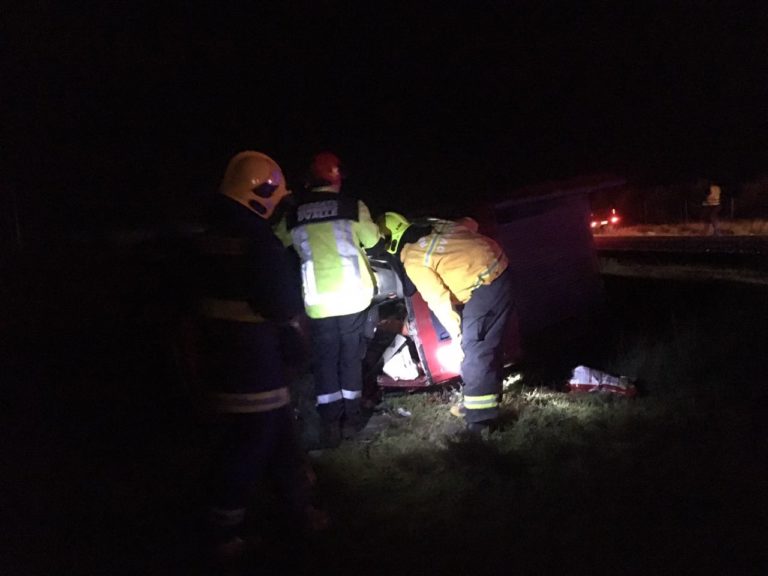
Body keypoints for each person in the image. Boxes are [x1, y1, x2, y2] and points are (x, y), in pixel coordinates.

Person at [192, 151, 324, 564]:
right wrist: (296, 339)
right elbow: (281, 304)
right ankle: (223, 531)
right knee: (250, 445)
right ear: (262, 193)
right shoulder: (258, 242)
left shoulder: (207, 235)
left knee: (278, 435)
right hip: (254, 361)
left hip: (219, 356)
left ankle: (297, 508)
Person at [274, 151, 382, 448]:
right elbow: (372, 240)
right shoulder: (351, 206)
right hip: (353, 295)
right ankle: (353, 418)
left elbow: (278, 241)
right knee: (349, 356)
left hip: (318, 300)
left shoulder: (293, 212)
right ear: (337, 178)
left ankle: (330, 422)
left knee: (324, 360)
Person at [377, 212, 514, 433]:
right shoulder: (434, 225)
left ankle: (480, 422)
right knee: (486, 344)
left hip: (486, 284)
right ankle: (482, 399)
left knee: (474, 350)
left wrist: (457, 336)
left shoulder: (413, 259)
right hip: (497, 268)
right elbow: (471, 222)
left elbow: (438, 301)